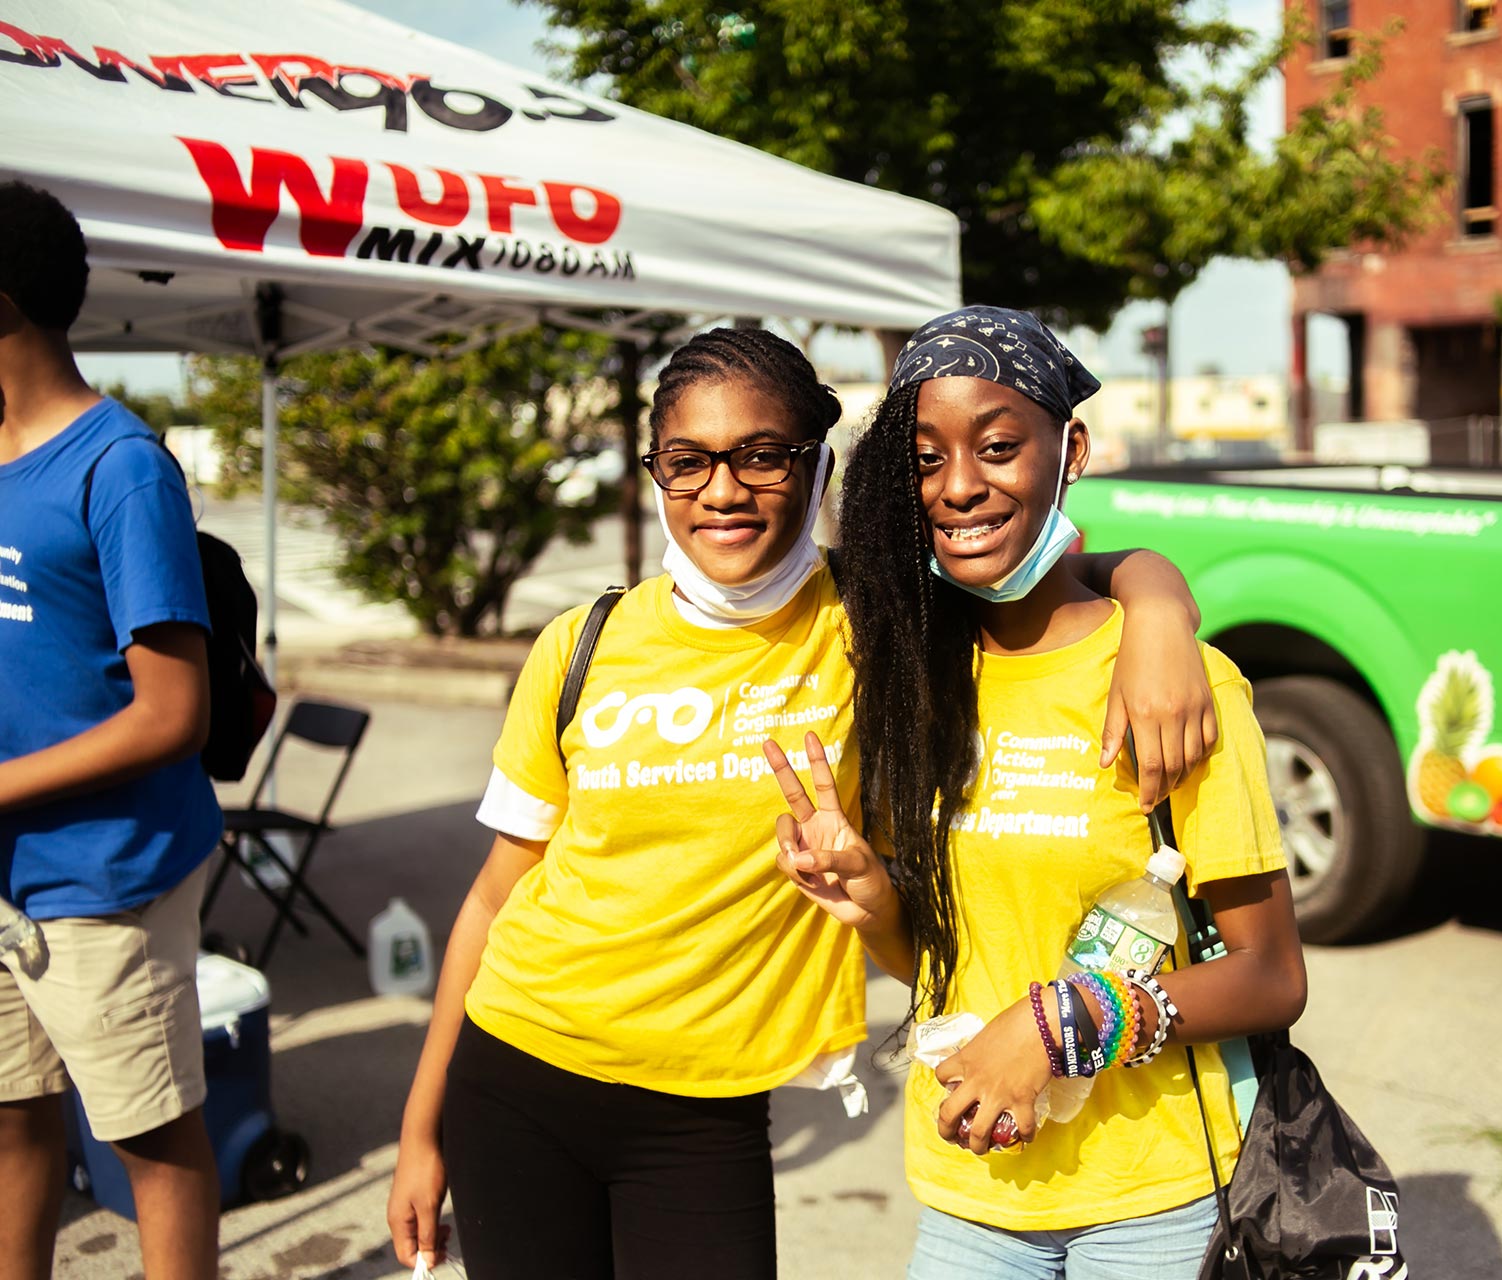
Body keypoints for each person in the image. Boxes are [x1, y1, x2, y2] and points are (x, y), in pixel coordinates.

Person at [386, 326, 1219, 1280]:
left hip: (706, 1111)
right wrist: (420, 1128)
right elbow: (495, 897)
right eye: (687, 461)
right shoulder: (582, 642)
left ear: (819, 466)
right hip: (512, 1072)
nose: (723, 491)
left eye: (762, 456)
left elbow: (1059, 567)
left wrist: (1159, 607)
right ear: (657, 473)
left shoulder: (877, 617)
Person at [767, 306, 1309, 1279]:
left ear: (1072, 451)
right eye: (927, 459)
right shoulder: (915, 680)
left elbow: (1271, 976)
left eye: (998, 446)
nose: (959, 484)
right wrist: (874, 899)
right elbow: (933, 965)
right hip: (970, 1186)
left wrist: (1063, 1025)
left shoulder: (1173, 683)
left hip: (1150, 1201)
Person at [0, 182, 223, 1280]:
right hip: (7, 873)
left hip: (107, 873)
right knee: (12, 1119)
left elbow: (175, 712)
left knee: (150, 1144)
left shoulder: (120, 466)